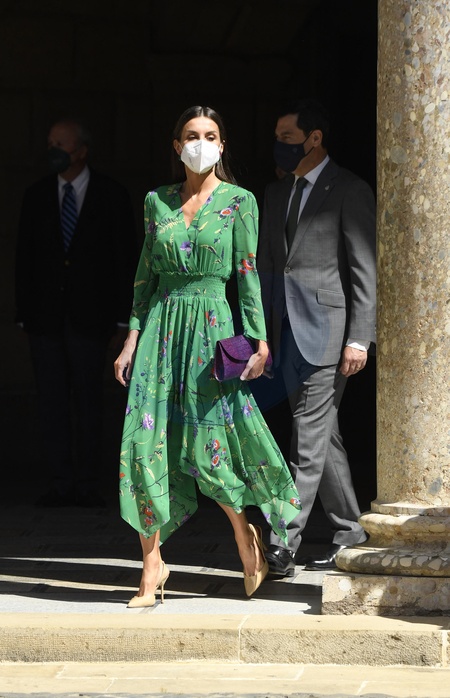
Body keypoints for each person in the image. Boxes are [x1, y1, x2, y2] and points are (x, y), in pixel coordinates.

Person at [114, 105, 301, 607]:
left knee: (206, 445)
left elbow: (247, 274)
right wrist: (131, 338)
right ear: (178, 146)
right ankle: (152, 565)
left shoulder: (240, 201)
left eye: (211, 135)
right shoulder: (156, 200)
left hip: (210, 330)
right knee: (144, 442)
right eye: (192, 135)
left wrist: (259, 340)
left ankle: (244, 534)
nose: (202, 143)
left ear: (221, 144)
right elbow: (144, 277)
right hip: (160, 329)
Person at [258, 98, 376, 575]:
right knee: (323, 436)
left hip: (328, 334)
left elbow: (363, 268)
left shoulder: (349, 189)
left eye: (287, 138)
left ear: (315, 139)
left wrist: (359, 338)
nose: (279, 146)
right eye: (277, 138)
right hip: (285, 334)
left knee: (306, 438)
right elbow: (270, 267)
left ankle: (282, 542)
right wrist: (262, 336)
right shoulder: (276, 193)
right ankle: (351, 532)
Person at [15, 118, 137, 507]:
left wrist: (123, 320)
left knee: (89, 400)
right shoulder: (36, 195)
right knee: (51, 401)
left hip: (92, 318)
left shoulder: (110, 194)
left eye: (61, 144)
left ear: (82, 150)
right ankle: (60, 482)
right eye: (50, 142)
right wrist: (24, 314)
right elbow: (24, 257)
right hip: (45, 319)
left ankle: (87, 483)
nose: (54, 150)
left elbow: (123, 259)